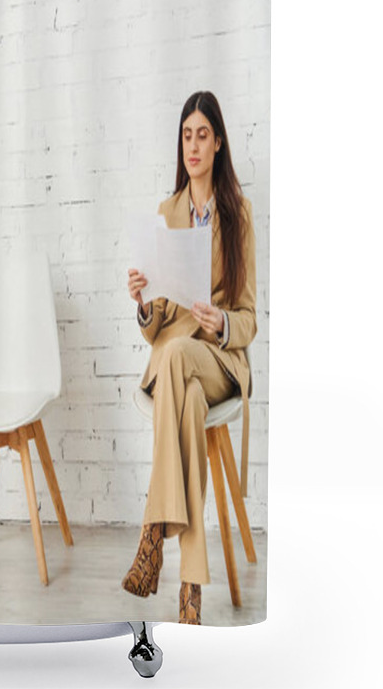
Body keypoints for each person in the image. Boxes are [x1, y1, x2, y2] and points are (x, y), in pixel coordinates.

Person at [122, 91, 256, 625]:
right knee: (187, 398)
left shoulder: (237, 213)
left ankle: (153, 532)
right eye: (186, 135)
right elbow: (156, 324)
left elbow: (248, 317)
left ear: (219, 143)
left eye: (203, 134)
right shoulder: (167, 212)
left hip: (218, 359)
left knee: (182, 357)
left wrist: (220, 323)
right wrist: (143, 302)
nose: (193, 145)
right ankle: (190, 595)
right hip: (181, 365)